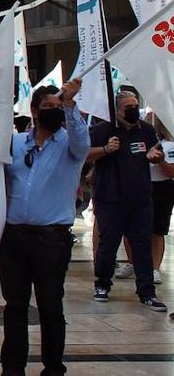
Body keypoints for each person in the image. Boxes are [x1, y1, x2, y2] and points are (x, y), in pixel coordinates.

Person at [0, 80, 89, 376]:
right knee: (15, 307)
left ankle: (53, 367)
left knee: (50, 307)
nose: (53, 111)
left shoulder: (70, 144)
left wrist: (70, 104)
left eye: (57, 107)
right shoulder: (14, 143)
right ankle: (13, 367)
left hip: (52, 240)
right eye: (47, 107)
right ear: (35, 111)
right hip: (14, 238)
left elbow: (82, 142)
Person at [87, 91, 167, 310]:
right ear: (117, 110)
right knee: (108, 244)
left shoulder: (147, 130)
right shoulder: (102, 130)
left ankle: (147, 292)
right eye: (127, 107)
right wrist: (105, 150)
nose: (132, 111)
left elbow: (155, 152)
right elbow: (83, 155)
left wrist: (156, 157)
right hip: (110, 199)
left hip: (140, 199)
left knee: (142, 244)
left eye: (134, 106)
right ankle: (102, 285)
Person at [151, 116, 174, 286]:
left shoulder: (170, 145)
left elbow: (170, 172)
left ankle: (155, 268)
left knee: (157, 230)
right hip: (141, 187)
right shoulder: (147, 140)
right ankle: (133, 263)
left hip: (162, 189)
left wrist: (160, 161)